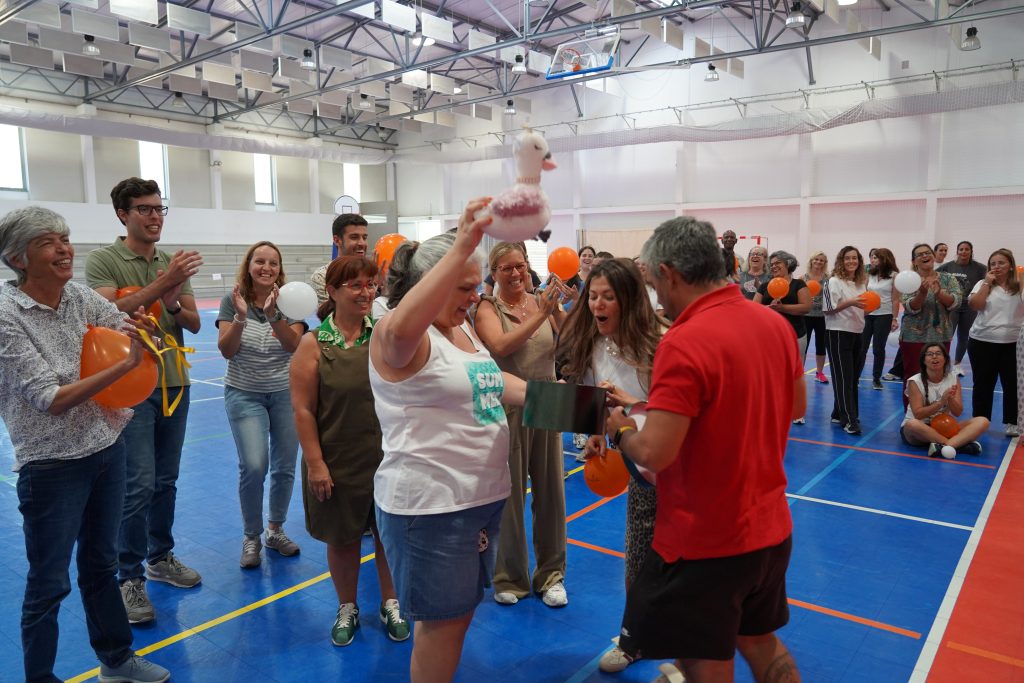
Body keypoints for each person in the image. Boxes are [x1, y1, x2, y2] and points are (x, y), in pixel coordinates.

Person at [606, 216, 805, 683]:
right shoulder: (773, 324)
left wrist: (619, 430)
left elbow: (654, 453)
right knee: (760, 643)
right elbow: (792, 404)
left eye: (655, 284)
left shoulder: (685, 339)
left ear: (671, 273)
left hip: (707, 540)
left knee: (703, 662)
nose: (656, 296)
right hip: (770, 526)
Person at [0, 206, 171, 683]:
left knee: (100, 566)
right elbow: (49, 399)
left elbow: (120, 324)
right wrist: (122, 366)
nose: (65, 248)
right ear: (17, 257)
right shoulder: (5, 315)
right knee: (48, 583)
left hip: (104, 446)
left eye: (66, 238)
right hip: (51, 467)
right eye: (49, 242)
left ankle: (116, 661)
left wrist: (142, 329)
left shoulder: (77, 296)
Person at [368, 199, 527, 683]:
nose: (474, 297)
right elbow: (397, 329)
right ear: (427, 286)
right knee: (442, 628)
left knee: (457, 619)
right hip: (430, 508)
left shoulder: (462, 334)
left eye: (476, 286)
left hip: (476, 501)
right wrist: (462, 243)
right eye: (463, 286)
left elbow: (505, 387)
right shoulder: (399, 339)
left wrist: (593, 411)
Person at [85, 177, 203, 624]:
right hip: (129, 388)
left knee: (165, 482)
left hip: (175, 383)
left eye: (159, 209)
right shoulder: (103, 260)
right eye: (145, 209)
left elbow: (190, 323)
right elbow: (108, 315)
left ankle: (161, 557)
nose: (155, 217)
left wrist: (173, 301)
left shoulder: (171, 262)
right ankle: (128, 576)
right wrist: (166, 284)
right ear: (122, 214)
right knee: (137, 485)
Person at [291, 255, 409, 647]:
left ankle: (391, 602)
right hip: (337, 462)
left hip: (387, 456)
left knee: (387, 535)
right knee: (341, 539)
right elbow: (303, 410)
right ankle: (347, 606)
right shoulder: (312, 344)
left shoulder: (384, 334)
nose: (365, 292)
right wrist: (315, 464)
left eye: (370, 284)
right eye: (355, 285)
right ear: (333, 291)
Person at [558, 257, 663, 674]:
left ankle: (691, 647)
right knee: (637, 551)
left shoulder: (661, 342)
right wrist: (599, 430)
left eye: (608, 297)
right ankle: (634, 638)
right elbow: (591, 398)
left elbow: (678, 409)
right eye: (593, 297)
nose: (598, 305)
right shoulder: (593, 343)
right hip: (636, 463)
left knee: (682, 561)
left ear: (630, 300)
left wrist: (632, 402)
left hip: (676, 462)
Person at [474, 242, 569, 608]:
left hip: (547, 402)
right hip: (508, 406)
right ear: (494, 274)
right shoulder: (487, 308)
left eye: (521, 265)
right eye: (507, 268)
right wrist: (542, 313)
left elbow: (568, 342)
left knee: (551, 494)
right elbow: (501, 346)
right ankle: (510, 577)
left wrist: (558, 312)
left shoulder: (543, 302)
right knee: (510, 496)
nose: (516, 273)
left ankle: (552, 575)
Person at [217, 241, 307, 568]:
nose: (266, 267)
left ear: (279, 269)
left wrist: (273, 316)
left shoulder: (291, 301)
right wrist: (241, 317)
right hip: (244, 393)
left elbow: (293, 344)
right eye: (260, 261)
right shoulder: (233, 301)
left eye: (273, 262)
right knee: (254, 465)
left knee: (284, 466)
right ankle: (251, 536)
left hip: (285, 393)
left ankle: (275, 530)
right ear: (249, 265)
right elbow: (227, 350)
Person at [967, 249, 1024, 437]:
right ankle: (980, 421)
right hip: (982, 341)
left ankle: (1012, 422)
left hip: (1013, 343)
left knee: (1012, 384)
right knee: (983, 384)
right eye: (993, 263)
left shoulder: (1020, 285)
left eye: (1001, 263)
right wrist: (986, 283)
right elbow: (976, 305)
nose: (996, 267)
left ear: (1010, 266)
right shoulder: (982, 284)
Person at [899, 244, 962, 410]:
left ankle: (938, 413)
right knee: (913, 377)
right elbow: (909, 307)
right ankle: (912, 416)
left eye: (927, 253)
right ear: (914, 261)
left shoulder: (948, 279)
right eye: (919, 254)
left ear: (933, 256)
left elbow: (955, 303)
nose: (924, 256)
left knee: (940, 376)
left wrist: (939, 292)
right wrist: (921, 293)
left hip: (941, 336)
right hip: (913, 338)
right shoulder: (908, 279)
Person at [900, 344, 988, 457]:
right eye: (930, 354)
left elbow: (958, 412)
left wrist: (950, 399)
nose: (934, 357)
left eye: (938, 353)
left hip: (944, 427)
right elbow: (918, 414)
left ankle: (943, 446)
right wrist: (941, 402)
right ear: (924, 360)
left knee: (982, 421)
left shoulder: (953, 378)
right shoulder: (914, 381)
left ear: (945, 359)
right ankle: (957, 445)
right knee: (912, 424)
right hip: (920, 430)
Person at [823, 246, 867, 435]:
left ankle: (837, 412)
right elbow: (827, 309)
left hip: (857, 332)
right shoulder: (833, 282)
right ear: (841, 261)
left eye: (854, 258)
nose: (851, 261)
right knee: (843, 378)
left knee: (852, 377)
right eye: (847, 258)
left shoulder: (860, 283)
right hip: (838, 333)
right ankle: (849, 420)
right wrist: (851, 302)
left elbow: (862, 308)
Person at [939, 241, 988, 375]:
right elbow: (933, 277)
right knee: (947, 335)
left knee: (963, 336)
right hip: (952, 306)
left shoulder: (980, 268)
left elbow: (989, 281)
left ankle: (957, 364)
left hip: (969, 306)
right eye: (961, 249)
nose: (964, 252)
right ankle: (942, 363)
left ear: (971, 251)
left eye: (967, 249)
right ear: (957, 251)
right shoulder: (947, 267)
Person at [857, 248, 900, 391]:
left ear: (885, 259)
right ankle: (855, 376)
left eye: (876, 258)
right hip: (868, 314)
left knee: (878, 348)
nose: (873, 260)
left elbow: (895, 299)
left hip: (884, 315)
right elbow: (864, 294)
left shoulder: (894, 276)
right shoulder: (869, 274)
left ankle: (876, 379)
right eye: (872, 258)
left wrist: (894, 318)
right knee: (861, 347)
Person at [310, 213, 369, 305]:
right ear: (337, 240)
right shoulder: (322, 276)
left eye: (364, 238)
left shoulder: (371, 274)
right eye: (354, 237)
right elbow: (332, 314)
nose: (362, 243)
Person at [803, 251, 830, 384]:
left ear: (825, 263)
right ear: (811, 261)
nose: (818, 262)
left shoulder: (828, 278)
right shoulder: (803, 278)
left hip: (822, 317)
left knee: (821, 345)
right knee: (804, 346)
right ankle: (799, 372)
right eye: (816, 259)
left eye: (821, 260)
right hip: (806, 316)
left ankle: (819, 373)